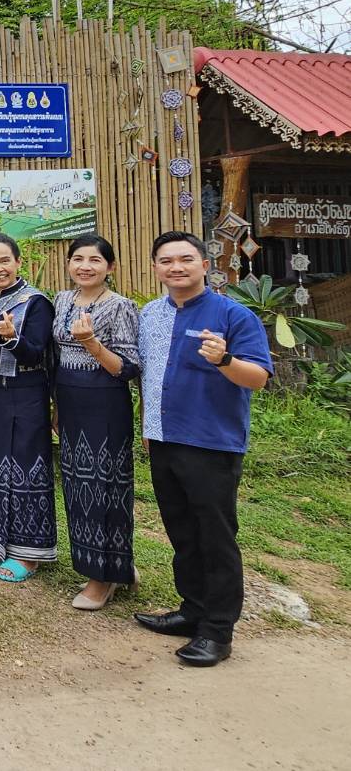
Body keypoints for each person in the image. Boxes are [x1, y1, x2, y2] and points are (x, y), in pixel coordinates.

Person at [133, 232, 272, 667]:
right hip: (162, 438)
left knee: (215, 536)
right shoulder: (151, 314)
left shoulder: (233, 315)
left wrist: (225, 361)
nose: (176, 267)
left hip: (211, 442)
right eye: (167, 261)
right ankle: (192, 609)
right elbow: (150, 374)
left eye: (185, 259)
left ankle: (217, 630)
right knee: (181, 530)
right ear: (156, 267)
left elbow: (259, 378)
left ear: (203, 264)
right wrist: (148, 427)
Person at [52, 234, 141, 610]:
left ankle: (102, 578)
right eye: (78, 259)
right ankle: (117, 567)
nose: (85, 266)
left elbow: (128, 367)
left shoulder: (121, 307)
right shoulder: (61, 300)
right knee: (76, 489)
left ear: (111, 267)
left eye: (94, 260)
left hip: (104, 407)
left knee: (106, 490)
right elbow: (54, 357)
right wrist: (55, 406)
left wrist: (91, 344)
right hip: (70, 405)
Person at [0, 231, 56, 583]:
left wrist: (12, 339)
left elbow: (37, 351)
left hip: (27, 391)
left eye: (5, 260)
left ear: (19, 262)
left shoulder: (36, 302)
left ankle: (29, 554)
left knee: (26, 468)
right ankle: (0, 542)